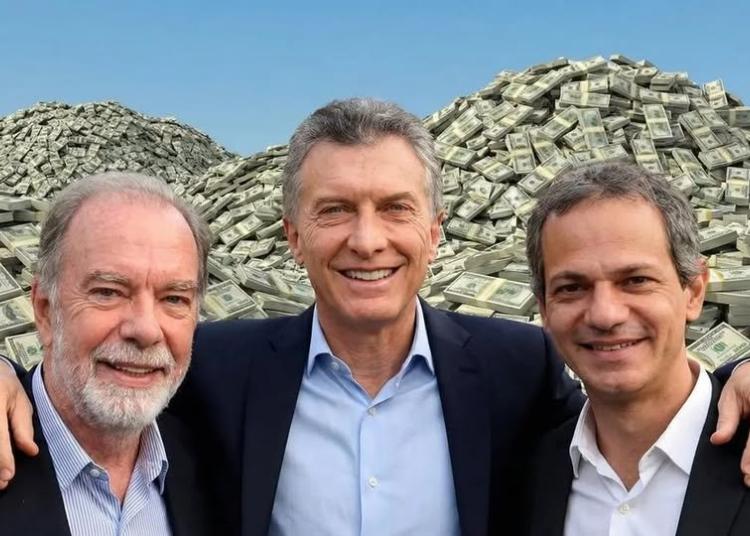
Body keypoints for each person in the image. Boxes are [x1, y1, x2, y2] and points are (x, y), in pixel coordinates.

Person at [0, 100, 749, 536]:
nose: (367, 240)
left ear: (435, 231)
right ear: (293, 236)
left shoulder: (516, 368)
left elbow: (636, 401)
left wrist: (738, 373)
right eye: (334, 211)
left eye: (395, 208)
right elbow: (101, 381)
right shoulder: (217, 368)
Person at [522, 162, 750, 535]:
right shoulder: (525, 477)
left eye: (636, 280)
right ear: (544, 309)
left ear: (694, 292)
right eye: (572, 288)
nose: (605, 315)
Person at [0, 172, 213, 535]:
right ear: (45, 310)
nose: (146, 330)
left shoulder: (216, 462)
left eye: (174, 298)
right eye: (108, 292)